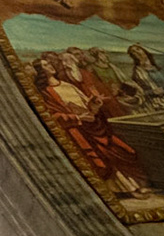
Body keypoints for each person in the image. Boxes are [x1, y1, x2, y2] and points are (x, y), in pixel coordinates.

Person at [36, 56, 145, 193]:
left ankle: (131, 186)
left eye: (48, 63)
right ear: (40, 71)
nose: (50, 65)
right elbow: (52, 115)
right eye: (45, 65)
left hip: (93, 125)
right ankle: (127, 189)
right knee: (101, 159)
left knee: (117, 152)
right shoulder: (46, 92)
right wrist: (76, 117)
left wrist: (94, 104)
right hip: (79, 130)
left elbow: (85, 104)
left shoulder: (66, 85)